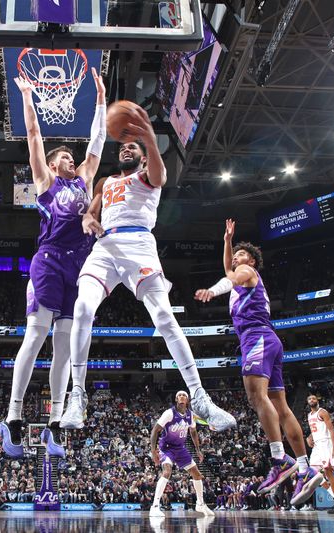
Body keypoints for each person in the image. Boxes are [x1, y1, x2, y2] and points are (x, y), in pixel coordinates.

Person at [59, 105, 235, 433]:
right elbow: (91, 213)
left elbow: (161, 175)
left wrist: (150, 140)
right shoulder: (105, 182)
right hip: (106, 247)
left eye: (132, 147)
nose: (125, 147)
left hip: (140, 246)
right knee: (82, 309)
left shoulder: (148, 174)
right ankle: (78, 395)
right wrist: (88, 219)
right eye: (123, 145)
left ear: (142, 156)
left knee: (165, 319)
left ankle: (200, 399)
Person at [0, 69, 107, 459]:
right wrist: (28, 97)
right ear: (54, 162)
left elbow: (97, 141)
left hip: (78, 267)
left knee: (64, 347)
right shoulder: (47, 183)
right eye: (65, 155)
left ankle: (55, 424)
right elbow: (33, 137)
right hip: (47, 262)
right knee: (36, 335)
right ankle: (13, 417)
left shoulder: (85, 180)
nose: (71, 158)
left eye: (72, 157)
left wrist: (99, 98)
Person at [194, 219, 322, 506]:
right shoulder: (242, 275)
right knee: (281, 406)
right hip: (270, 340)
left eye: (241, 253)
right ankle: (304, 468)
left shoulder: (246, 271)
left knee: (256, 397)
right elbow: (228, 269)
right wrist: (227, 242)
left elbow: (231, 275)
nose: (236, 257)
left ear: (250, 260)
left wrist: (213, 291)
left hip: (256, 338)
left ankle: (279, 460)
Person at [149, 391, 214, 518]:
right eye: (179, 395)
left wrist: (198, 450)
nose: (182, 397)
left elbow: (193, 432)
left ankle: (200, 504)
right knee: (167, 472)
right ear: (176, 399)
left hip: (180, 448)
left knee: (197, 474)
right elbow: (155, 430)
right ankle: (155, 506)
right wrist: (153, 451)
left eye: (184, 395)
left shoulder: (190, 415)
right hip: (166, 448)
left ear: (187, 400)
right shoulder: (169, 413)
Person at [305, 394, 334, 513]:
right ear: (308, 402)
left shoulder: (323, 412)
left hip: (325, 443)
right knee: (312, 473)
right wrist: (309, 437)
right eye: (309, 399)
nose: (312, 400)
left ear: (317, 401)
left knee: (328, 472)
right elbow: (315, 429)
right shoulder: (309, 415)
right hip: (316, 445)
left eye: (314, 398)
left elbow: (331, 429)